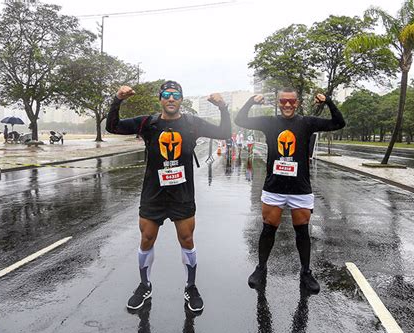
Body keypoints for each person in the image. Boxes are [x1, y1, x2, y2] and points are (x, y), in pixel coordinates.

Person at [106, 81, 231, 312]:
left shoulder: (193, 123)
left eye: (175, 95)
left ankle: (191, 287)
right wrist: (118, 100)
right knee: (146, 239)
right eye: (166, 94)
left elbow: (224, 133)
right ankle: (144, 285)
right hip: (153, 194)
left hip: (181, 195)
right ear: (160, 98)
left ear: (181, 99)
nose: (171, 98)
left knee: (187, 240)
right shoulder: (147, 122)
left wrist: (223, 107)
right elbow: (112, 127)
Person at [235, 88, 345, 293]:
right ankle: (261, 268)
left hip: (300, 189)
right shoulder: (269, 122)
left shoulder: (307, 123)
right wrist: (251, 101)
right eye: (283, 101)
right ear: (278, 102)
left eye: (292, 101)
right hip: (274, 187)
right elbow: (241, 120)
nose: (287, 105)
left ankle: (305, 272)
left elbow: (339, 123)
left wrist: (328, 101)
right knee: (269, 228)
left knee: (302, 231)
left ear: (297, 102)